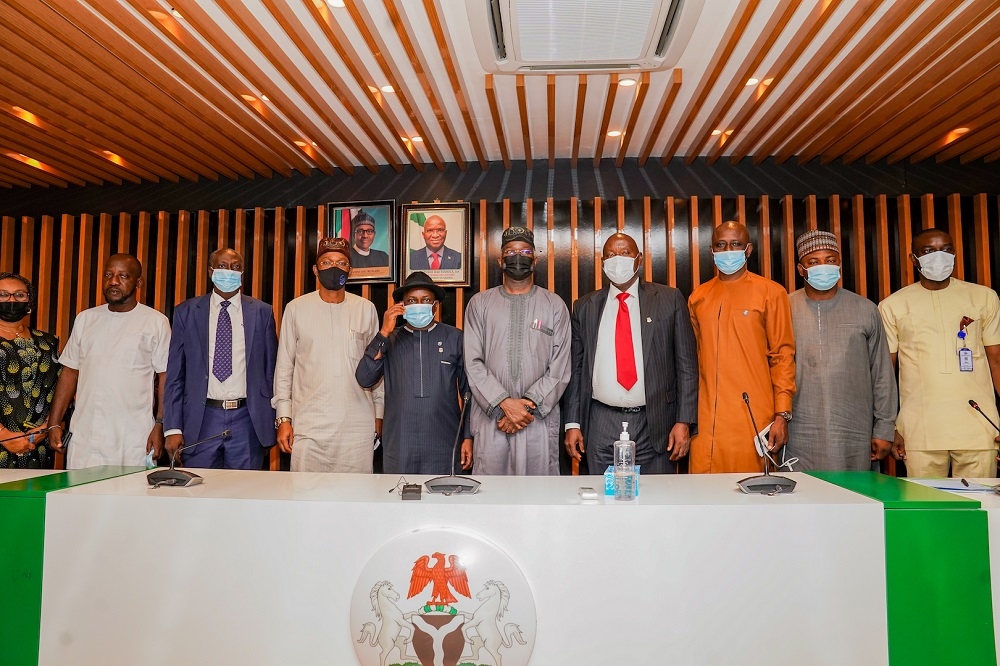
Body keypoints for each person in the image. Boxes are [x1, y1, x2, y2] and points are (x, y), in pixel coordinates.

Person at [563, 233, 698, 474]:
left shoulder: (669, 299)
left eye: (625, 253)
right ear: (602, 262)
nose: (618, 260)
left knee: (656, 504)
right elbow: (576, 369)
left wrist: (684, 421)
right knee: (603, 502)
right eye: (611, 255)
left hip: (656, 423)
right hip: (600, 421)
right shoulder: (585, 306)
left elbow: (686, 365)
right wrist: (573, 423)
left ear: (639, 258)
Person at [879, 229, 1000, 478]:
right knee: (925, 512)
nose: (939, 256)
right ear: (914, 259)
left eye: (946, 249)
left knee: (979, 509)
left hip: (979, 427)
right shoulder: (892, 305)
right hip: (918, 428)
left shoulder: (984, 297)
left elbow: (996, 361)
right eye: (928, 251)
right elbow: (885, 374)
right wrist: (889, 426)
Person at [688, 221, 796, 473]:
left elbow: (783, 355)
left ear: (748, 250)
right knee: (703, 499)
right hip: (705, 423)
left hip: (752, 418)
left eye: (735, 244)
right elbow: (693, 359)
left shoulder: (771, 293)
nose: (728, 250)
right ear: (711, 251)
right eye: (721, 245)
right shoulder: (698, 297)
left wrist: (782, 414)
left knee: (753, 500)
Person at [785, 231, 897, 471]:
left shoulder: (865, 309)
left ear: (839, 264)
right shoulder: (783, 309)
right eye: (813, 262)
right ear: (800, 269)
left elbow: (882, 375)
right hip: (798, 432)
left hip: (855, 431)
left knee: (855, 500)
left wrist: (884, 429)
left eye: (830, 260)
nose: (823, 267)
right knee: (800, 501)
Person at [464, 226, 571, 475]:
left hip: (536, 419)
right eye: (510, 251)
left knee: (538, 500)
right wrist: (504, 403)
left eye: (524, 251)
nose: (517, 256)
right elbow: (473, 362)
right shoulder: (479, 304)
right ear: (500, 260)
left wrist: (525, 406)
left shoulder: (554, 305)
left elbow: (560, 366)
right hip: (492, 418)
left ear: (535, 259)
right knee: (490, 499)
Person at [47, 254, 171, 469]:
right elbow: (70, 372)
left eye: (123, 276)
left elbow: (165, 377)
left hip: (132, 436)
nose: (114, 281)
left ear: (138, 283)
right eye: (108, 275)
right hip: (85, 433)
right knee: (80, 498)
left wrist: (159, 425)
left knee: (131, 498)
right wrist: (54, 422)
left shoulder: (156, 322)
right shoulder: (86, 318)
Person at [273, 237, 383, 472]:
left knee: (357, 499)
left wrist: (379, 417)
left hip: (357, 428)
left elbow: (377, 369)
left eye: (341, 263)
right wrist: (284, 419)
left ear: (350, 271)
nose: (334, 268)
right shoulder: (295, 309)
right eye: (326, 262)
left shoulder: (366, 309)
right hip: (309, 427)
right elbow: (284, 369)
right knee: (306, 501)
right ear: (315, 269)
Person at [163, 248, 278, 469]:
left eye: (235, 267)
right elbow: (176, 375)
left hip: (248, 420)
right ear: (211, 271)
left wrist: (271, 421)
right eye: (222, 266)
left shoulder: (262, 312)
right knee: (198, 496)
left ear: (242, 272)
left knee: (244, 495)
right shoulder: (186, 312)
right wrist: (173, 427)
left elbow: (270, 370)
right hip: (200, 419)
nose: (229, 272)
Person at [355, 271, 472, 474]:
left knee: (444, 501)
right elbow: (365, 378)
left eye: (426, 300)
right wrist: (383, 332)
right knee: (399, 501)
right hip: (400, 443)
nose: (419, 304)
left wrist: (469, 437)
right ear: (402, 306)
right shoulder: (390, 340)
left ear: (435, 305)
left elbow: (468, 394)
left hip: (445, 441)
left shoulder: (454, 337)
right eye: (412, 300)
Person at [0, 273, 60, 469]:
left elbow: (60, 388)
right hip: (1, 443)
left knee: (35, 498)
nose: (11, 300)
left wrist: (48, 427)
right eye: (3, 295)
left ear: (29, 302)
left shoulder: (48, 342)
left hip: (38, 445)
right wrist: (4, 436)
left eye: (19, 295)